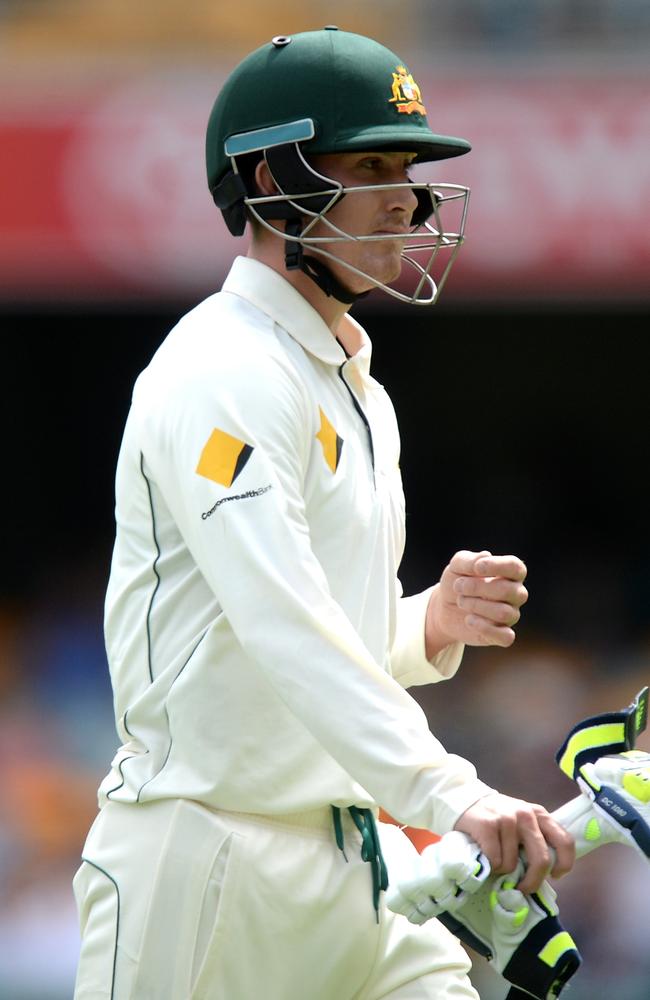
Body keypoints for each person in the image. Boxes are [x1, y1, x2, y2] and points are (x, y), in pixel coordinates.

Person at [73, 27, 574, 1000]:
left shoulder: (355, 388)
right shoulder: (220, 368)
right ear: (271, 179)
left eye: (411, 165)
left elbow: (305, 638)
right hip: (206, 863)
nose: (409, 196)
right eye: (373, 162)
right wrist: (451, 791)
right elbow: (279, 628)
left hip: (363, 864)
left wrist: (418, 624)